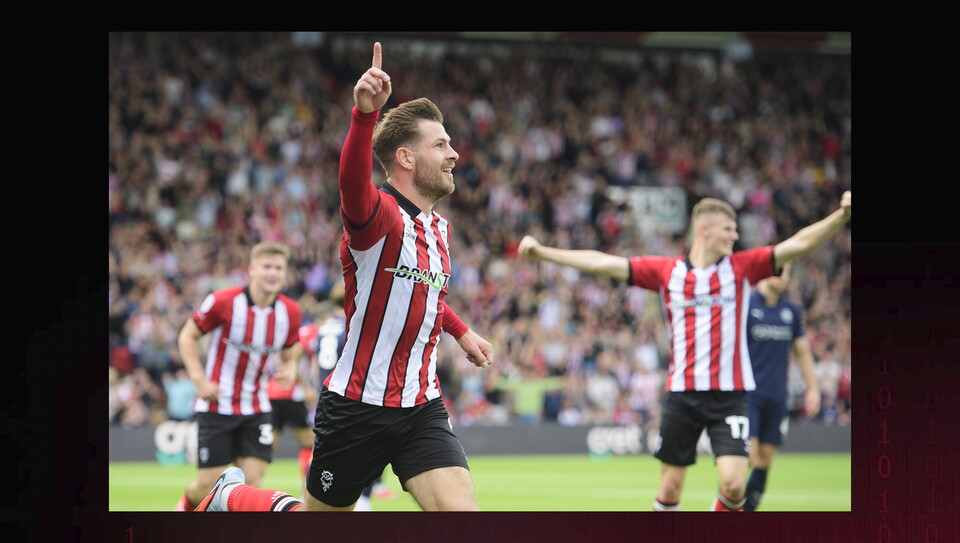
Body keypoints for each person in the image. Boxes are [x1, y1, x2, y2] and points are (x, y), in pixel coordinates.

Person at [194, 41, 494, 513]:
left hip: (421, 404)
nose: (454, 154)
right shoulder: (380, 216)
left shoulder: (439, 228)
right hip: (357, 405)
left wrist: (460, 331)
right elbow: (352, 186)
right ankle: (232, 495)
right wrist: (364, 115)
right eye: (440, 144)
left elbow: (422, 290)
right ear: (406, 158)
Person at [518, 191, 851, 511]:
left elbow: (797, 245)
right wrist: (544, 253)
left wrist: (841, 216)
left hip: (730, 394)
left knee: (735, 484)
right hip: (682, 395)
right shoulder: (667, 272)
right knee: (669, 489)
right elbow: (604, 263)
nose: (735, 235)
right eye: (728, 228)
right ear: (703, 229)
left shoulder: (740, 268)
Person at [173, 241, 303, 511]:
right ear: (252, 269)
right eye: (266, 266)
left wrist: (290, 368)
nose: (273, 273)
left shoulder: (290, 311)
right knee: (206, 488)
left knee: (251, 484)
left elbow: (291, 350)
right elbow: (187, 336)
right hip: (217, 404)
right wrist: (198, 379)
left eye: (278, 268)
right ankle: (184, 507)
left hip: (257, 406)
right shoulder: (223, 301)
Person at [743, 262, 820, 511]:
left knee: (765, 459)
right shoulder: (746, 305)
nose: (781, 275)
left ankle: (746, 514)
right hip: (747, 396)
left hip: (777, 397)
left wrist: (813, 388)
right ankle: (724, 509)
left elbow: (802, 352)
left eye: (785, 271)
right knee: (745, 458)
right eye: (776, 269)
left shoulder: (792, 311)